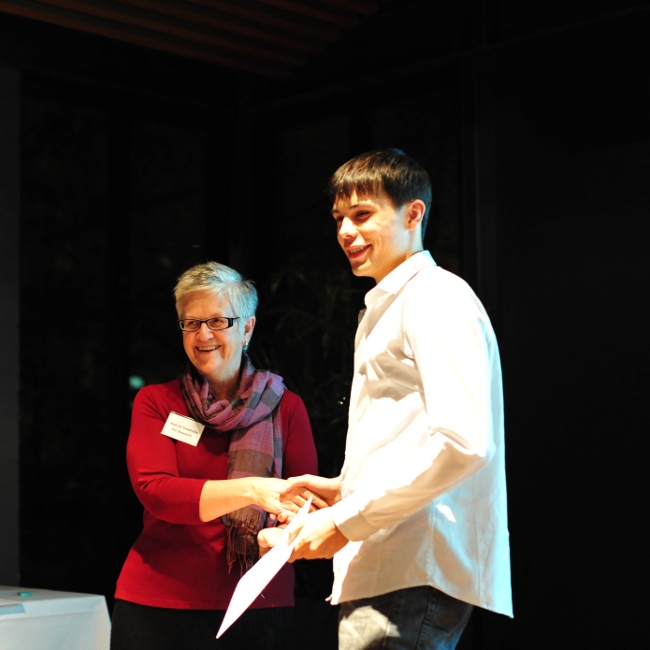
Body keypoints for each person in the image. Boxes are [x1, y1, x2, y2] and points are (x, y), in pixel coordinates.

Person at [260, 148, 513, 649]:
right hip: (393, 563)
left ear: (413, 213)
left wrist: (346, 520)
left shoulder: (434, 296)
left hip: (411, 563)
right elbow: (411, 439)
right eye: (338, 218)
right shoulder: (393, 303)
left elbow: (464, 444)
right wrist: (345, 489)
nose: (345, 232)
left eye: (362, 214)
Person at [110, 261, 319, 650]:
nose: (203, 334)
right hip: (159, 604)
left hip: (258, 601)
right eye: (191, 323)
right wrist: (252, 490)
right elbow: (157, 492)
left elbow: (304, 501)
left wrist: (288, 526)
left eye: (218, 321)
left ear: (247, 329)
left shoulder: (286, 408)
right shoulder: (158, 402)